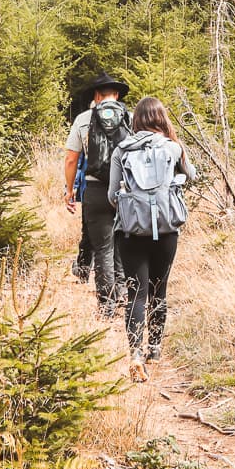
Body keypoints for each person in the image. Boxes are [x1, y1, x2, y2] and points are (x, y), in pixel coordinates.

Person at [108, 96, 195, 381]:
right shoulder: (173, 147)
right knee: (160, 288)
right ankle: (155, 347)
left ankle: (135, 352)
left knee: (136, 292)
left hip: (131, 231)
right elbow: (192, 176)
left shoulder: (122, 150)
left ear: (136, 120)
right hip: (166, 228)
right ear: (162, 118)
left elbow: (111, 196)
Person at [64, 72, 132, 317]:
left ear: (96, 95)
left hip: (94, 190)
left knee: (103, 248)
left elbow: (72, 158)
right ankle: (124, 292)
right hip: (125, 190)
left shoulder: (83, 119)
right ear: (116, 95)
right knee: (123, 242)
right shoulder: (130, 118)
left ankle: (107, 306)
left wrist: (70, 189)